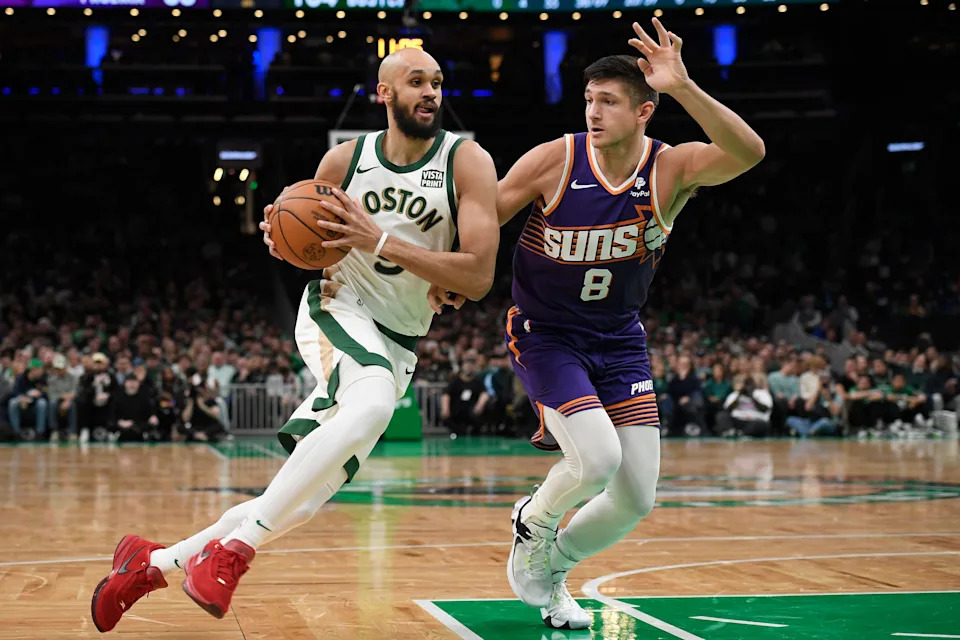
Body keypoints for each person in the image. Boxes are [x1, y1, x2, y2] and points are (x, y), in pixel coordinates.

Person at [89, 47, 499, 633]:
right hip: (339, 308)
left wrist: (379, 240)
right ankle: (231, 554)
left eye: (437, 81)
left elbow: (480, 275)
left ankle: (148, 565)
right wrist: (279, 232)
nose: (430, 92)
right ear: (383, 94)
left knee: (301, 498)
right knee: (376, 398)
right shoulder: (345, 159)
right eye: (415, 82)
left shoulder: (467, 160)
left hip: (401, 341)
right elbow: (298, 233)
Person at [491, 18, 764, 630]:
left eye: (609, 101)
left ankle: (552, 565)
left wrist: (686, 86)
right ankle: (531, 520)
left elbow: (750, 153)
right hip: (547, 333)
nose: (593, 110)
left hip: (619, 340)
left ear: (644, 111)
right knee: (597, 460)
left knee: (637, 497)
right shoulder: (554, 159)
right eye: (589, 99)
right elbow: (484, 220)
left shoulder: (670, 169)